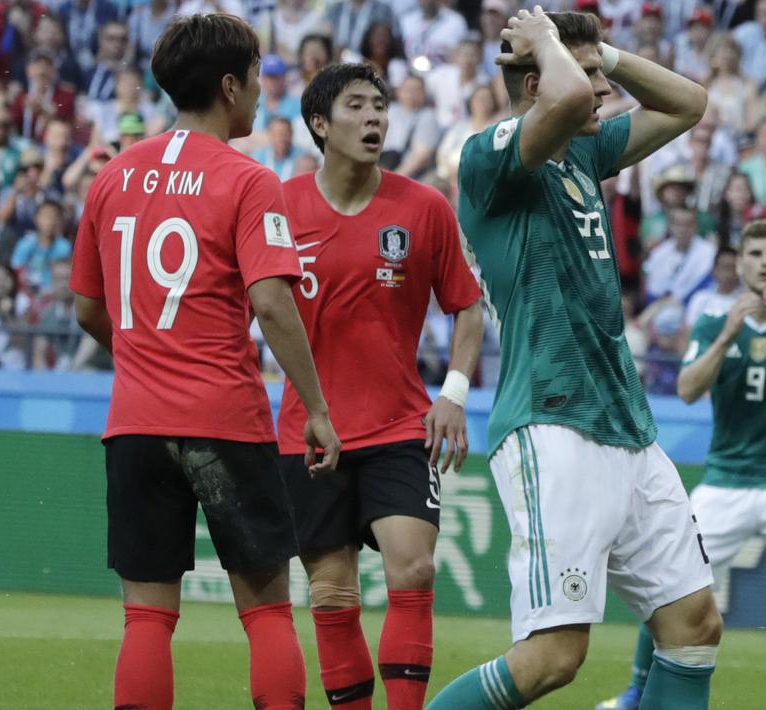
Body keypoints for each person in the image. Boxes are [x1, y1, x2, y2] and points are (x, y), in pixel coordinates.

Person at [435, 9, 721, 708]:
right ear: (533, 82)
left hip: (624, 420)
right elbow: (564, 100)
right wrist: (549, 47)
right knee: (553, 657)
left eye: (601, 78)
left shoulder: (585, 154)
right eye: (589, 78)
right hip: (551, 417)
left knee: (693, 626)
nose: (602, 92)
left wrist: (603, 54)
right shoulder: (488, 156)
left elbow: (689, 103)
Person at [67, 14, 342, 710]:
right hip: (224, 416)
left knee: (148, 619)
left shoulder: (112, 177)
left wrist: (142, 357)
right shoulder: (249, 181)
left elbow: (85, 309)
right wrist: (315, 408)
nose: (258, 93)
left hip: (134, 422)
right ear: (228, 85)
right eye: (254, 79)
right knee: (268, 612)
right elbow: (275, 304)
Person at [276, 62, 484, 710]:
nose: (374, 118)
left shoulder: (423, 207)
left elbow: (467, 307)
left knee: (413, 569)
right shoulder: (278, 208)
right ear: (319, 123)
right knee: (333, 595)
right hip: (307, 429)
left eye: (380, 106)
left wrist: (451, 394)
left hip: (399, 423)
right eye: (358, 107)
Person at [599, 220, 766, 710]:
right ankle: (635, 691)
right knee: (671, 586)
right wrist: (730, 333)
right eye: (756, 254)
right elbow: (689, 389)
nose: (765, 263)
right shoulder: (715, 320)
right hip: (725, 481)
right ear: (742, 262)